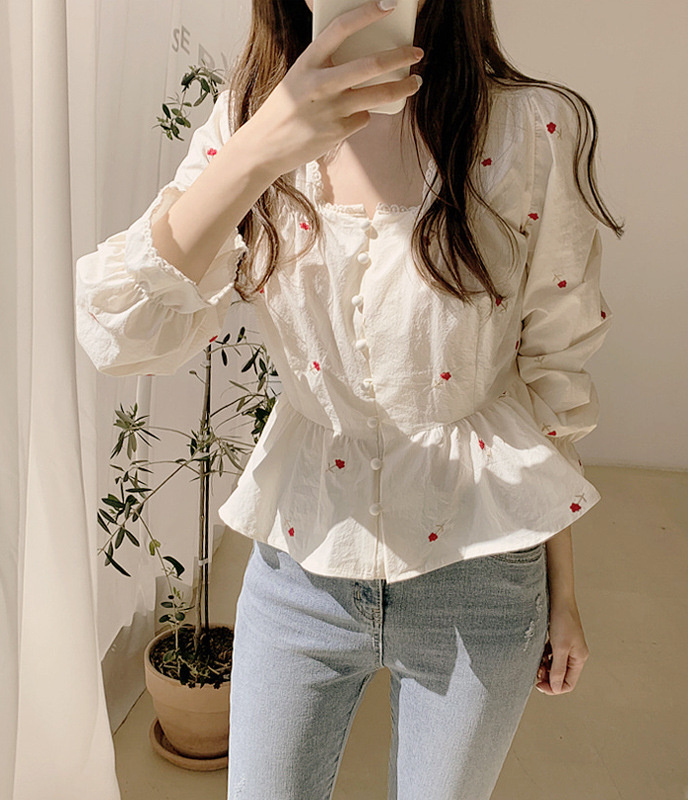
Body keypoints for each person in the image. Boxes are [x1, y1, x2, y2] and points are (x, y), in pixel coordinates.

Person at [75, 0, 624, 796]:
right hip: (302, 567)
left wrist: (562, 594)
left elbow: (550, 383)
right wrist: (262, 145)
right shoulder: (248, 119)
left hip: (477, 577)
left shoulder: (530, 129)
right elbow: (120, 332)